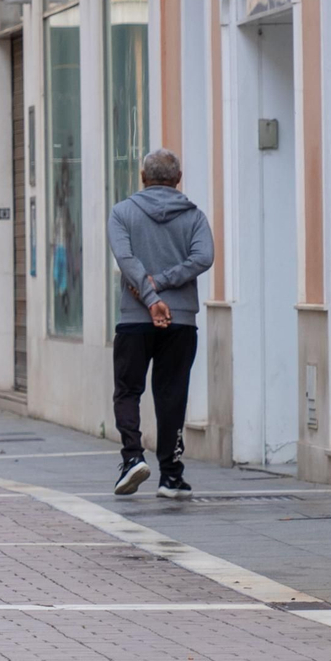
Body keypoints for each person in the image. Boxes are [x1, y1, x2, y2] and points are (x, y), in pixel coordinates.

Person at [106, 149, 214, 499]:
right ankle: (171, 474)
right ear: (178, 179)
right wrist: (165, 286)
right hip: (181, 320)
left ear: (142, 177)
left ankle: (133, 457)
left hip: (135, 320)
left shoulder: (122, 214)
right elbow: (203, 257)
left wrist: (150, 294)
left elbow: (126, 259)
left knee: (127, 389)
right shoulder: (194, 217)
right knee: (172, 394)